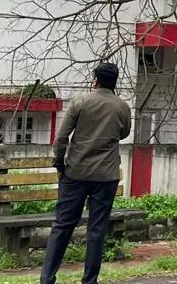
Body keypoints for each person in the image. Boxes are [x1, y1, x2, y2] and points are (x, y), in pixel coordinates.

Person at [40, 63, 132, 284]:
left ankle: (47, 278)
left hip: (76, 173)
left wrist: (59, 163)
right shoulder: (122, 107)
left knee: (62, 226)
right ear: (114, 82)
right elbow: (124, 133)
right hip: (106, 175)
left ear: (95, 80)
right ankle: (90, 280)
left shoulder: (79, 102)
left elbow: (61, 138)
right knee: (97, 229)